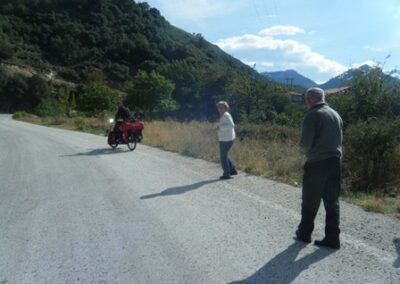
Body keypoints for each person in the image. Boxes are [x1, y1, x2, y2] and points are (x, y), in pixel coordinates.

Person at [295, 87, 343, 249]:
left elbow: (305, 145)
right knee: (332, 202)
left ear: (309, 100)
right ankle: (332, 238)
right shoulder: (336, 114)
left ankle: (304, 233)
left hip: (317, 163)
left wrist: (301, 151)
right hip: (335, 162)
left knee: (310, 200)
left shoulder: (312, 115)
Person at [217, 101, 237, 180]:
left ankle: (226, 174)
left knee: (223, 157)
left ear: (226, 108)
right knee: (224, 156)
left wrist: (220, 128)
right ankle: (232, 170)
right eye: (219, 107)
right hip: (225, 138)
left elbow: (232, 125)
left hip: (226, 139)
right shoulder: (224, 115)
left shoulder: (226, 115)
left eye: (222, 107)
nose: (220, 109)